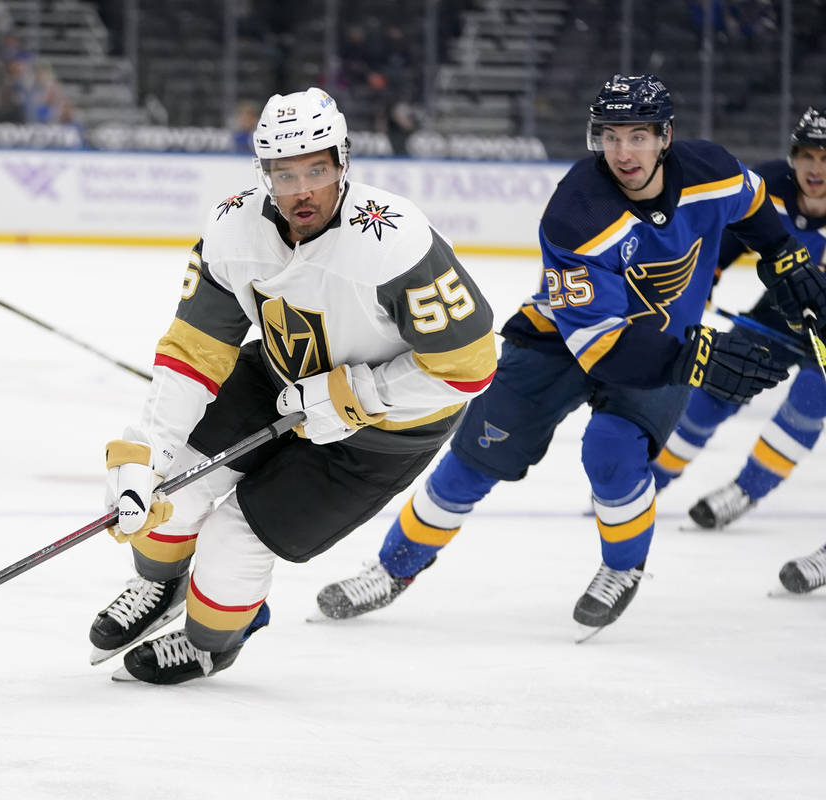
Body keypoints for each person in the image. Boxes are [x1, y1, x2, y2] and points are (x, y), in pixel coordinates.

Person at [316, 74, 826, 633]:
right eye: (611, 136)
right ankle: (394, 568)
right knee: (472, 461)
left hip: (665, 346)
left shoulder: (713, 170)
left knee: (612, 455)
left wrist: (782, 255)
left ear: (665, 137)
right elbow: (601, 348)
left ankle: (621, 570)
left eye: (637, 136)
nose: (623, 152)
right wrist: (695, 360)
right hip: (561, 344)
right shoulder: (576, 214)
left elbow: (752, 204)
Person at [89, 87, 498, 684]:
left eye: (316, 169)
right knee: (171, 485)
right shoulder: (233, 229)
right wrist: (147, 449)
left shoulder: (396, 241)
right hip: (281, 374)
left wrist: (361, 395)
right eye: (284, 174)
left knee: (235, 540)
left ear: (342, 162)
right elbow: (192, 353)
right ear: (264, 174)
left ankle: (211, 643)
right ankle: (160, 583)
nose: (301, 189)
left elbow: (470, 366)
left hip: (389, 429)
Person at [650, 106, 826, 528]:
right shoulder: (772, 186)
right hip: (782, 311)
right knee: (722, 380)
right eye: (807, 155)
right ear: (792, 158)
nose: (815, 168)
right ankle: (649, 479)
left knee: (810, 397)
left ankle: (747, 490)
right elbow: (727, 237)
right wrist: (704, 280)